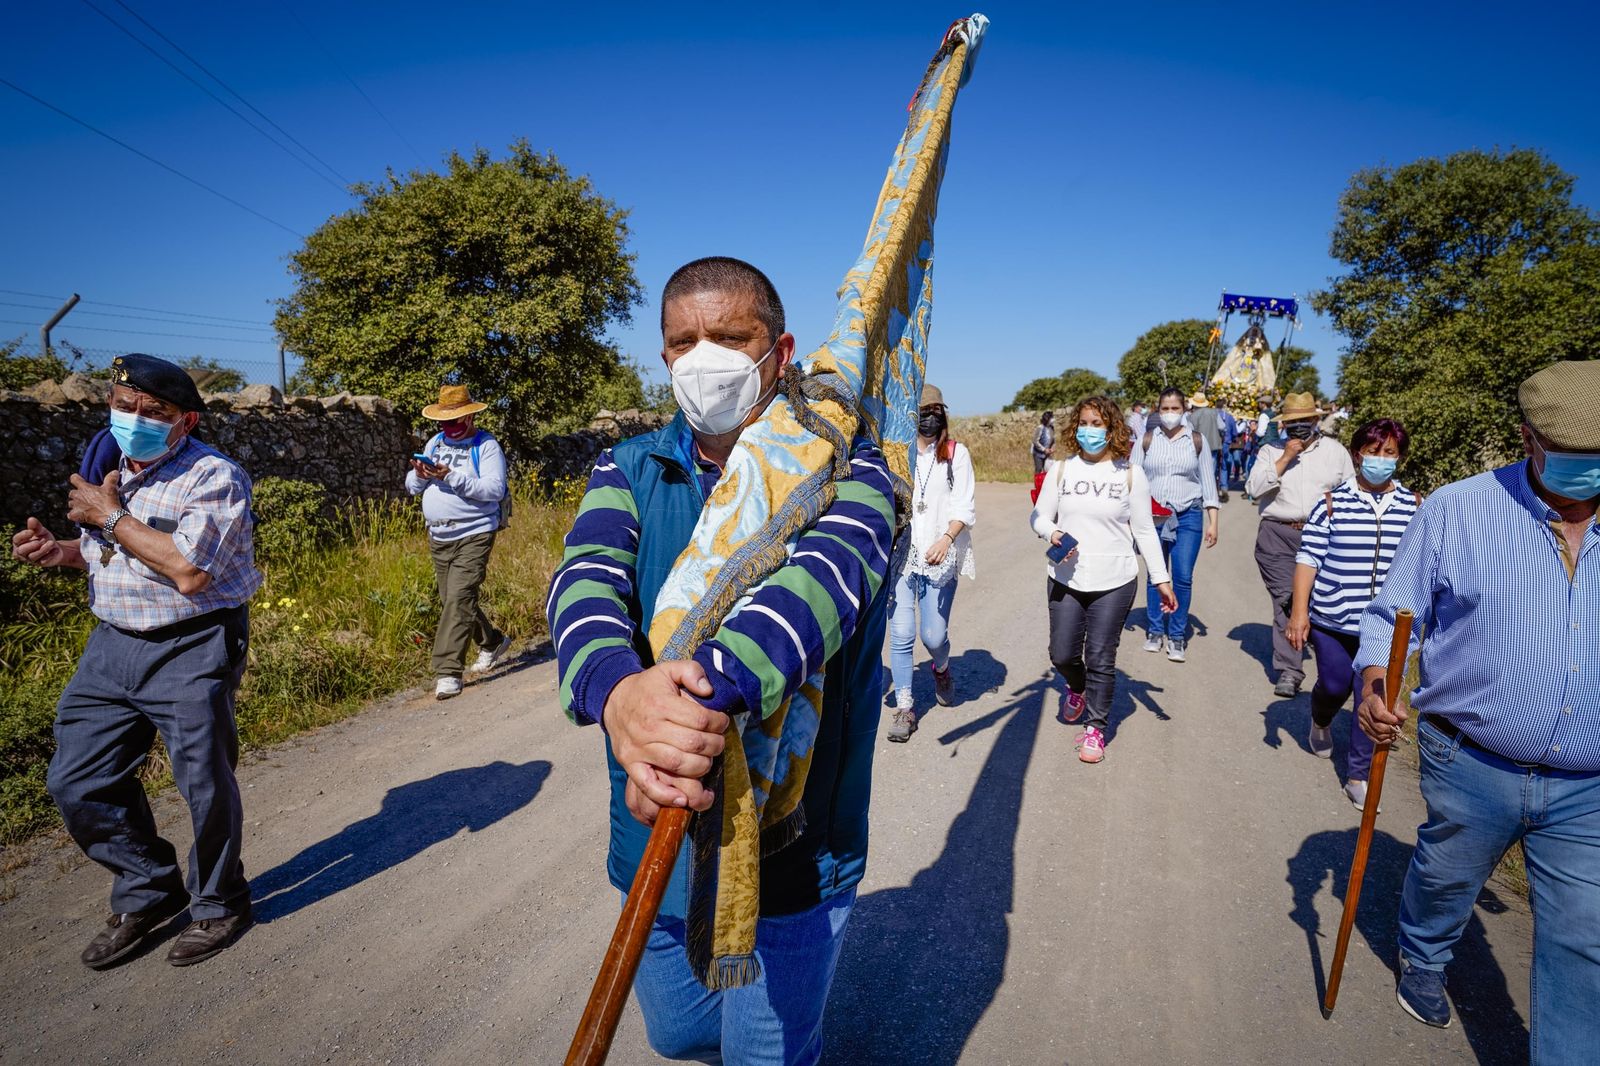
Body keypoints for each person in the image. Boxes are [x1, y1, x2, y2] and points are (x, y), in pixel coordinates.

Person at [548, 257, 895, 1063]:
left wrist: (715, 690)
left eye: (731, 337)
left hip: (798, 847)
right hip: (655, 824)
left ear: (780, 350)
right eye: (684, 341)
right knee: (677, 1034)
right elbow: (583, 587)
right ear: (665, 357)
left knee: (767, 1053)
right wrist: (619, 694)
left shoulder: (855, 467)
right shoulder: (628, 468)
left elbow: (820, 585)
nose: (705, 357)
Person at [1357, 360, 1600, 1053]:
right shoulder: (1457, 510)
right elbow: (1390, 617)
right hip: (1470, 759)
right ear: (1529, 440)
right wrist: (1376, 685)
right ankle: (1425, 955)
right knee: (1445, 876)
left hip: (1590, 786)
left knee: (1586, 944)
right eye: (1578, 460)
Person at [10, 353, 260, 969]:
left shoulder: (213, 477)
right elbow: (112, 553)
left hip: (191, 643)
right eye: (125, 406)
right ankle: (148, 887)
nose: (136, 418)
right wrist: (64, 551)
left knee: (203, 782)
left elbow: (187, 570)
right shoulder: (110, 468)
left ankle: (219, 901)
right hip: (112, 644)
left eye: (156, 411)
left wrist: (108, 515)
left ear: (187, 421)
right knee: (77, 779)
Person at [1031, 395, 1176, 764]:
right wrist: (1051, 534)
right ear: (1074, 428)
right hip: (1066, 575)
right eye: (1084, 423)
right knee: (1061, 654)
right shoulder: (1061, 471)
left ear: (1111, 429)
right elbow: (1039, 516)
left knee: (1100, 655)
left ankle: (1096, 727)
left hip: (1115, 578)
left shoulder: (1130, 474)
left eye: (1097, 424)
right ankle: (1076, 688)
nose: (1089, 431)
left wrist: (1161, 580)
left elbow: (1145, 531)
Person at [1286, 418, 1420, 810]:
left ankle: (1358, 775)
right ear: (1358, 454)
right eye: (1374, 452)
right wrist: (1299, 614)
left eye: (1390, 453)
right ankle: (1321, 719)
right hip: (1333, 620)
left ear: (1400, 458)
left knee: (1374, 694)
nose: (1381, 460)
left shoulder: (1414, 506)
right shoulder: (1331, 502)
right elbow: (1308, 558)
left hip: (1385, 627)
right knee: (1332, 686)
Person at [406, 384, 513, 700]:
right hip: (439, 536)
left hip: (475, 533)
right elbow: (412, 487)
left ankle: (448, 672)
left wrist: (449, 476)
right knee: (453, 598)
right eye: (443, 421)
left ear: (468, 418)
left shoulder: (487, 446)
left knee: (459, 595)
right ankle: (492, 641)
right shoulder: (435, 442)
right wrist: (422, 474)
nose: (447, 427)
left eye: (453, 421)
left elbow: (494, 490)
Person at [1246, 392, 1354, 697]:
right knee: (1287, 600)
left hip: (1322, 536)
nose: (1297, 427)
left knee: (1317, 602)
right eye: (1291, 422)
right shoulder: (1270, 451)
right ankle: (1290, 669)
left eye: (1303, 421)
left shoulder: (1335, 452)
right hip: (1278, 534)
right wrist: (1284, 459)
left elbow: (1348, 495)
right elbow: (1254, 489)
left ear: (1316, 420)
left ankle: (1329, 663)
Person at [886, 383, 977, 742]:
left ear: (943, 415)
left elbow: (964, 506)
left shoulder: (957, 454)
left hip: (941, 554)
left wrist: (947, 538)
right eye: (922, 411)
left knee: (933, 635)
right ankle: (906, 706)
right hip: (903, 557)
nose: (929, 417)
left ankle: (941, 668)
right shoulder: (896, 455)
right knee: (902, 633)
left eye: (935, 411)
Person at [1133, 387, 1220, 663]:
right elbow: (1131, 481)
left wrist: (1213, 522)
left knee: (1182, 576)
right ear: (1157, 411)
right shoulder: (1146, 440)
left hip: (1188, 515)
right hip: (1154, 518)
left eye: (1175, 409)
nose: (1170, 414)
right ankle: (1156, 631)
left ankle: (1177, 634)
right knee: (1156, 575)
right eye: (1165, 409)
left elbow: (1208, 482)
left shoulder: (1197, 441)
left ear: (1185, 411)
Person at [1187, 390, 1229, 503]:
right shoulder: (1214, 412)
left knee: (1198, 471)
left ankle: (1200, 495)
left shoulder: (1191, 416)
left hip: (1197, 446)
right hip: (1213, 445)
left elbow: (1189, 431)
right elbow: (1222, 426)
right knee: (1210, 471)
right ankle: (1210, 496)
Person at [1031, 409, 1055, 475]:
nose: (1053, 419)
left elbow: (1053, 440)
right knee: (1038, 469)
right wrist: (1044, 449)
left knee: (1047, 470)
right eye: (1051, 418)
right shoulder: (1040, 428)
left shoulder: (1051, 428)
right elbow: (1035, 441)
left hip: (1047, 453)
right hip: (1038, 453)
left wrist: (1052, 448)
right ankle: (1037, 484)